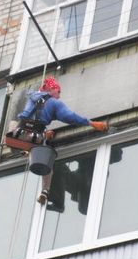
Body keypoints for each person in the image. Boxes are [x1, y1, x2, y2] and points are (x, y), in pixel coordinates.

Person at [16, 76, 109, 205]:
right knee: (47, 161)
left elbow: (29, 117)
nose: (59, 96)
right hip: (36, 135)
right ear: (51, 89)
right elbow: (70, 117)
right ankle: (45, 191)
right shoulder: (54, 102)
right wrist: (91, 123)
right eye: (58, 92)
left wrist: (43, 132)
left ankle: (25, 149)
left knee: (35, 142)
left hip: (21, 131)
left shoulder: (33, 98)